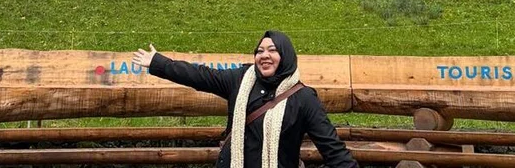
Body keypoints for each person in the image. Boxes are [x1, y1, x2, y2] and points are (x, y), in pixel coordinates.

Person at [133, 31, 358, 168]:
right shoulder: (240, 79)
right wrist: (158, 62)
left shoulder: (303, 98)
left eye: (272, 50)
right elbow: (201, 76)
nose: (264, 55)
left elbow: (333, 149)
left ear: (286, 56)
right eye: (259, 51)